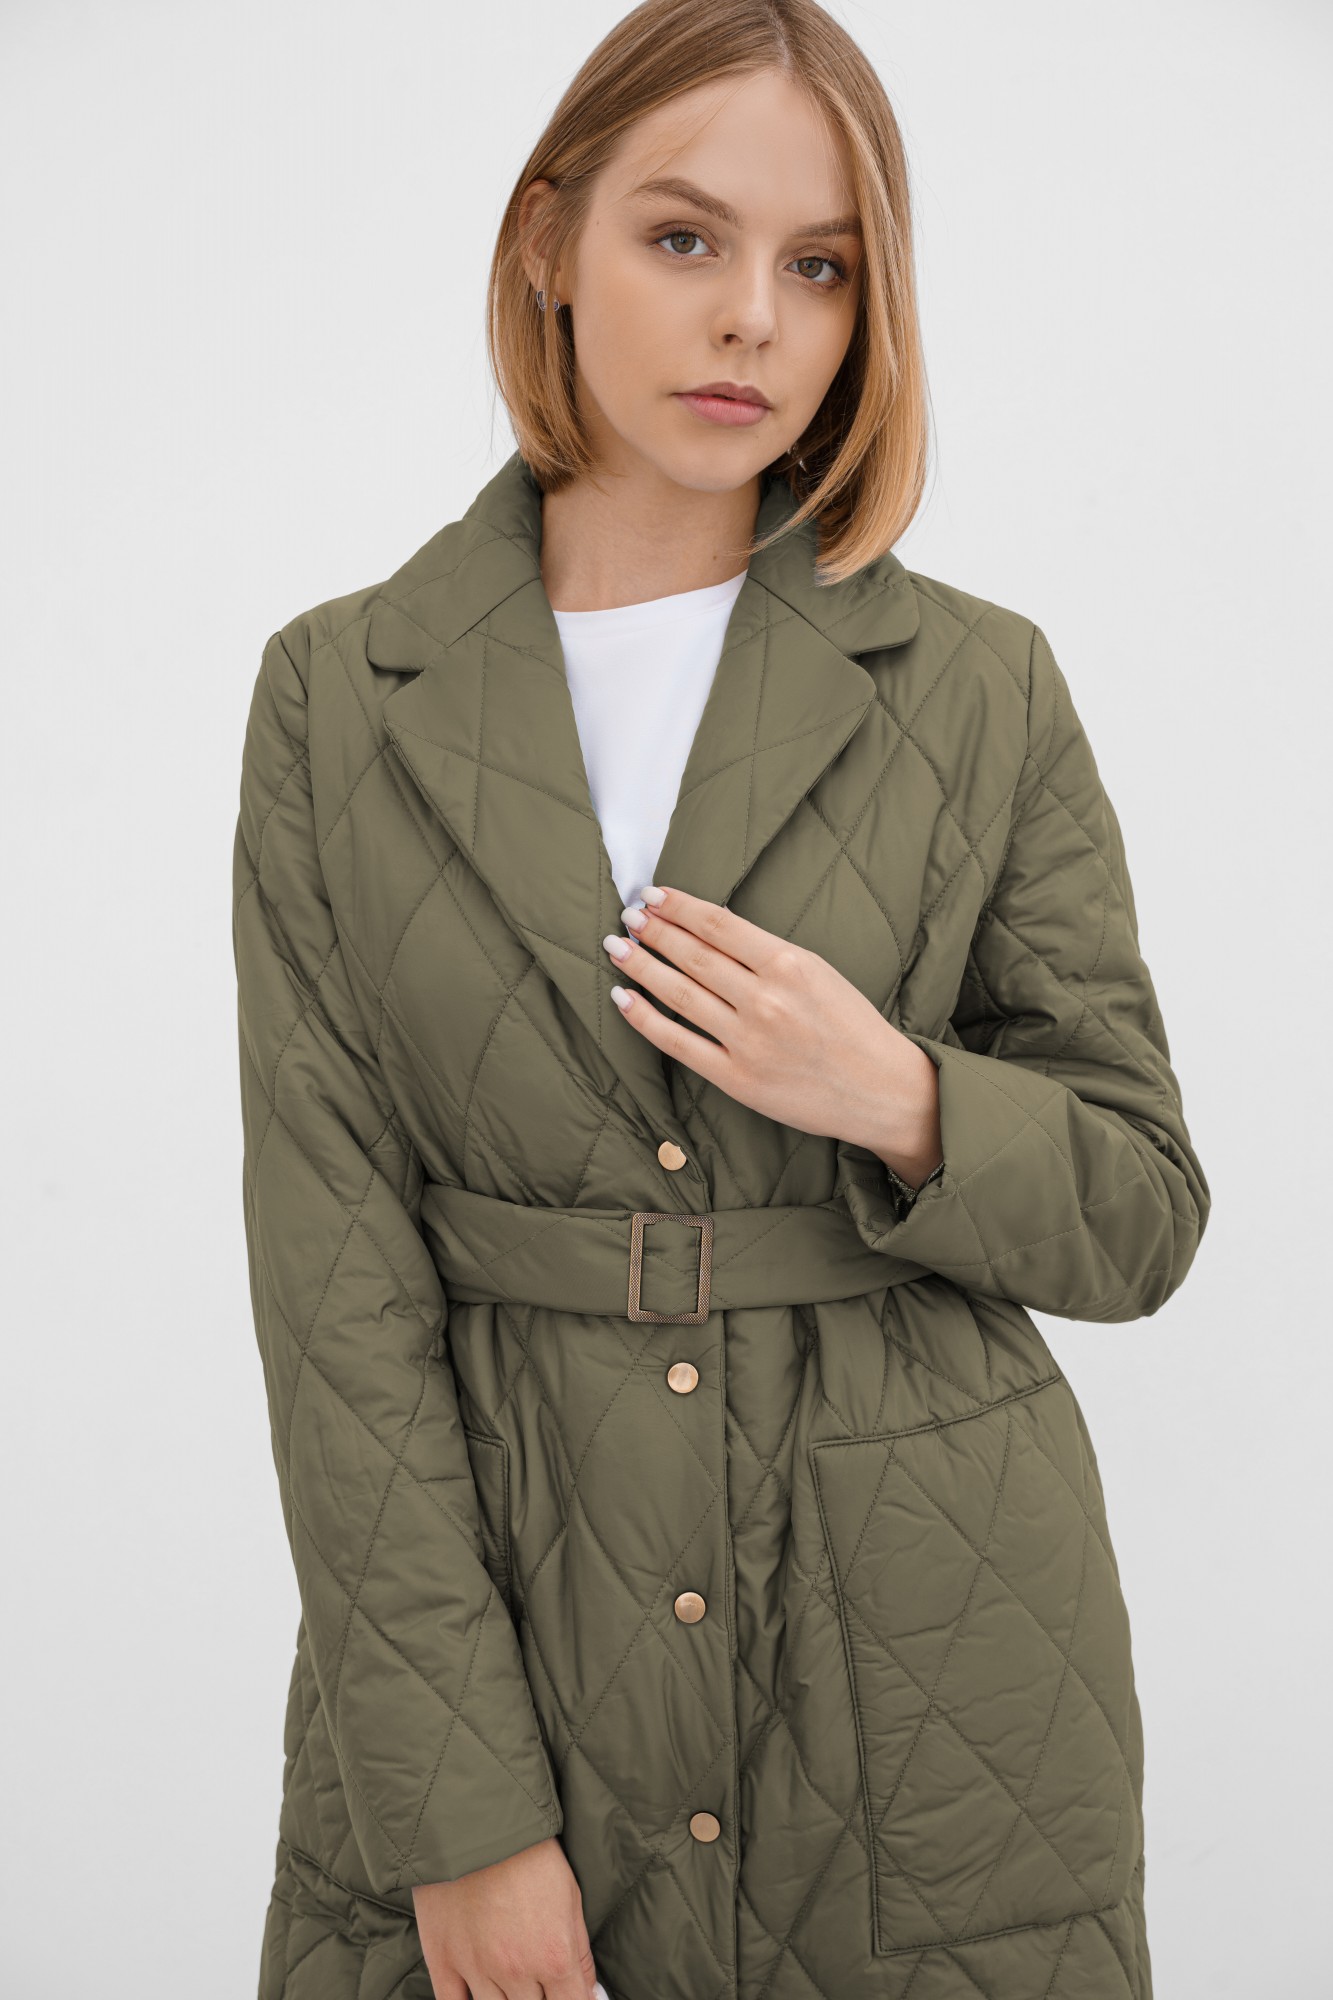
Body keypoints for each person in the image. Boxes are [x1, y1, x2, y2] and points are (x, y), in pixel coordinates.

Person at [232, 3, 1211, 1996]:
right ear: (547, 241)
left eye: (820, 265)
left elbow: (1138, 1214)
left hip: (934, 1674)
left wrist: (898, 1093)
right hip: (500, 1633)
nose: (753, 317)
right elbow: (331, 1289)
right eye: (683, 237)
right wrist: (458, 1815)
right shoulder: (337, 695)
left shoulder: (980, 687)